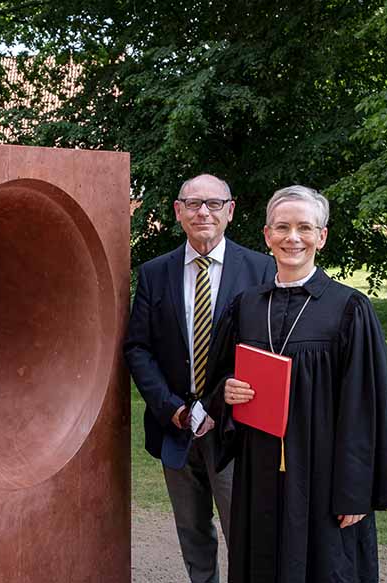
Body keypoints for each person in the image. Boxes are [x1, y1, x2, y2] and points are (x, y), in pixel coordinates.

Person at [203, 185, 387, 583]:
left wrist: (355, 491)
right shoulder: (246, 306)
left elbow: (364, 407)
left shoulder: (349, 309)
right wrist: (226, 390)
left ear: (321, 236)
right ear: (267, 235)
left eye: (304, 227)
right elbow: (218, 380)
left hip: (323, 475)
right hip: (259, 470)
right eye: (282, 227)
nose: (292, 237)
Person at [125, 174, 275, 583]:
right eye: (193, 204)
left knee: (243, 531)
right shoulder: (155, 272)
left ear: (230, 210)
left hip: (233, 428)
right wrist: (172, 408)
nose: (203, 212)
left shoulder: (261, 269)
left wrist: (215, 405)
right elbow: (138, 348)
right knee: (192, 533)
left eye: (213, 203)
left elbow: (266, 348)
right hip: (175, 427)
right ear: (178, 212)